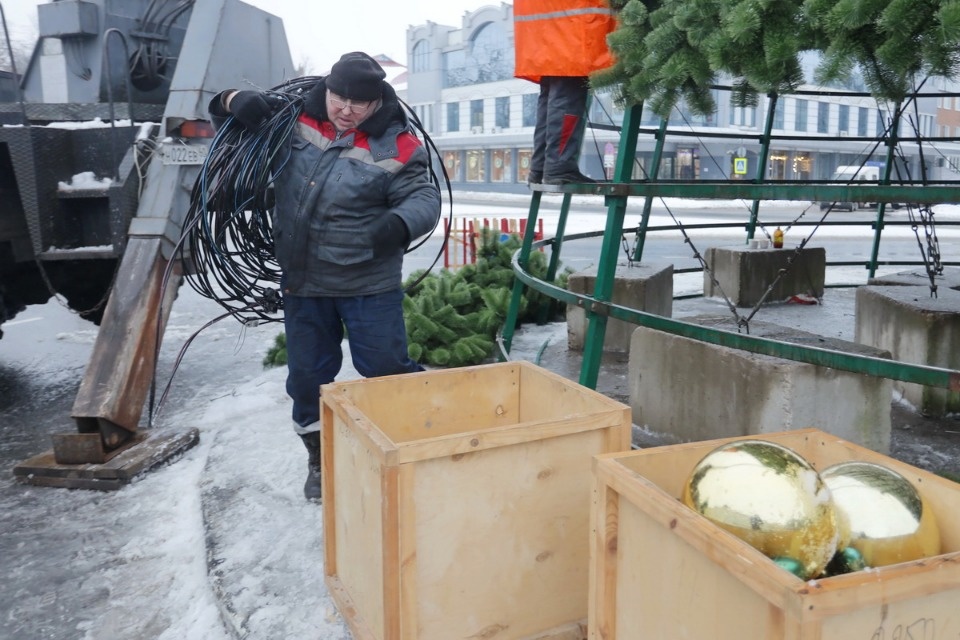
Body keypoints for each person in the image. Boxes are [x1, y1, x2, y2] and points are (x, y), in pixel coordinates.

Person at [208, 52, 441, 501]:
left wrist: (399, 223)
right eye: (339, 98)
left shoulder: (399, 145)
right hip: (305, 284)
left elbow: (423, 198)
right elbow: (222, 116)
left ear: (378, 101)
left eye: (358, 103)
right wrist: (234, 98)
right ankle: (320, 459)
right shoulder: (291, 119)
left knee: (387, 371)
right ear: (328, 90)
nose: (345, 110)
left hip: (368, 284)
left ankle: (410, 448)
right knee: (307, 380)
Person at [514, 0, 617, 184]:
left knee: (551, 92)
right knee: (568, 92)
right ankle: (558, 167)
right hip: (572, 21)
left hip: (549, 21)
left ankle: (541, 167)